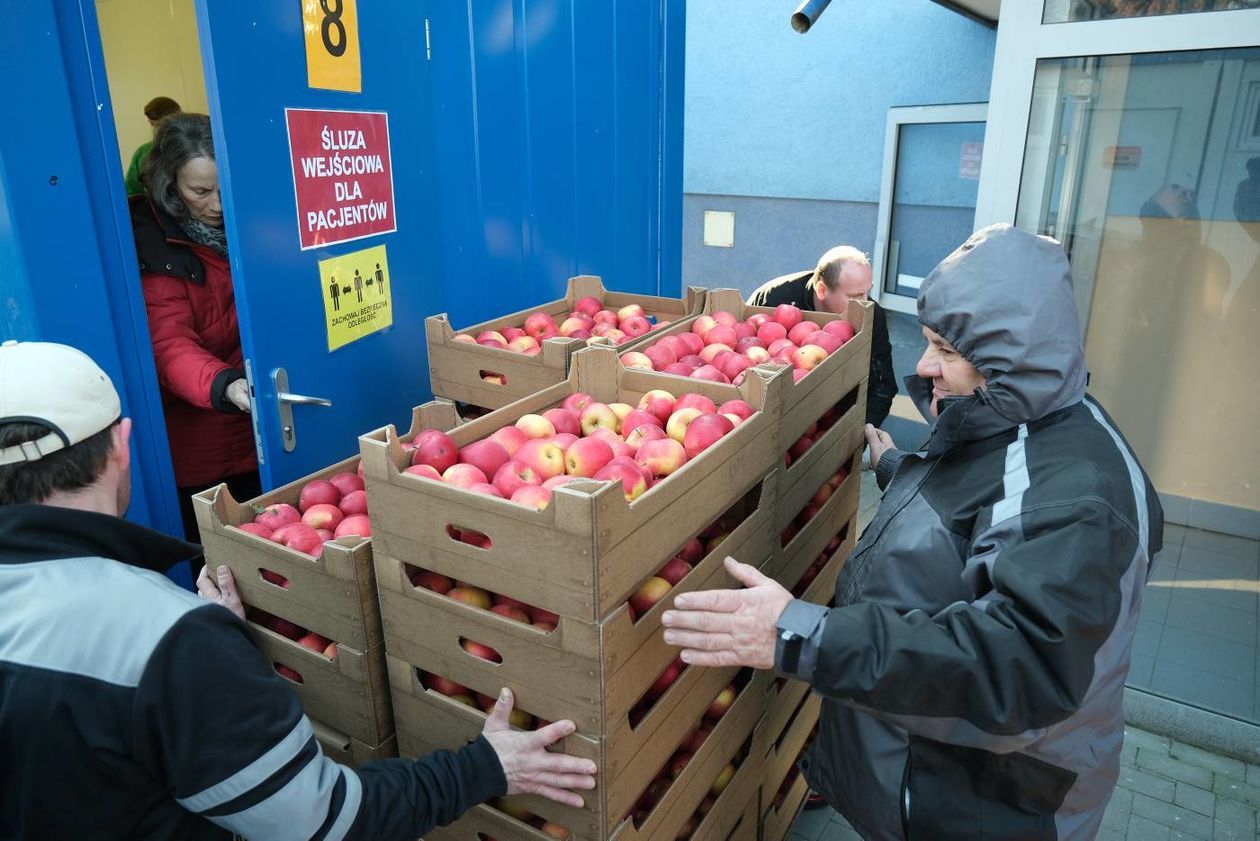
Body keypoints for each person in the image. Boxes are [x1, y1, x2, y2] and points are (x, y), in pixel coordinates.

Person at [663, 224, 1163, 840]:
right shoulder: (1026, 425)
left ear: (1013, 358)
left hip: (980, 805)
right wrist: (896, 467)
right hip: (930, 778)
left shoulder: (1080, 500)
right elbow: (982, 513)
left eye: (946, 351)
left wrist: (798, 636)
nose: (925, 366)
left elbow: (1017, 669)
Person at [0, 339, 597, 840]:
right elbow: (323, 823)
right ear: (122, 446)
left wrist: (210, 647)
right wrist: (482, 767)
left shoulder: (167, 638)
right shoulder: (167, 643)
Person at [130, 112, 257, 549]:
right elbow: (168, 344)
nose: (219, 205)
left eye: (226, 189)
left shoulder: (254, 223)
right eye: (201, 191)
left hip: (265, 430)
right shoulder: (155, 251)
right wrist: (223, 384)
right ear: (170, 185)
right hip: (203, 443)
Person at [747, 246, 897, 428]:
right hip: (774, 414)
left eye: (868, 292)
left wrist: (853, 436)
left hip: (833, 420)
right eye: (855, 296)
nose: (866, 302)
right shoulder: (774, 299)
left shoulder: (872, 315)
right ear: (822, 290)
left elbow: (881, 387)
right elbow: (747, 353)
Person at [124, 95, 181, 197]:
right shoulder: (142, 153)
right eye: (155, 125)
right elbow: (132, 191)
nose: (159, 129)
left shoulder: (190, 148)